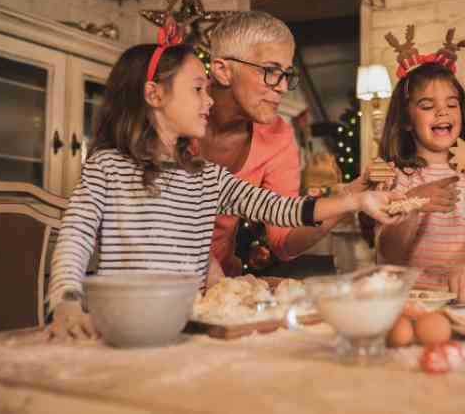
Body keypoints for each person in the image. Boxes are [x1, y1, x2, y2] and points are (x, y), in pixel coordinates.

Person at [46, 43, 404, 340]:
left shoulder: (208, 178)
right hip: (122, 328)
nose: (210, 101)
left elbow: (282, 209)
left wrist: (356, 199)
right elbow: (75, 235)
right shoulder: (107, 166)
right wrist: (66, 300)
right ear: (154, 94)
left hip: (185, 330)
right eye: (197, 89)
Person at [197, 11, 368, 281]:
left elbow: (284, 237)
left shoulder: (279, 137)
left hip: (221, 287)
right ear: (223, 70)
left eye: (287, 74)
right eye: (271, 71)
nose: (283, 86)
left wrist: (348, 199)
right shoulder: (171, 118)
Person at [375, 30, 465, 301]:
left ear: (461, 115)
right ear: (406, 120)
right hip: (405, 301)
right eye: (427, 105)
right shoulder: (397, 177)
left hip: (457, 299)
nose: (442, 112)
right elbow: (388, 251)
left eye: (451, 105)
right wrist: (413, 204)